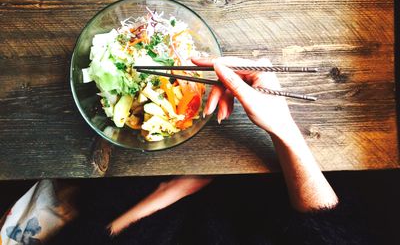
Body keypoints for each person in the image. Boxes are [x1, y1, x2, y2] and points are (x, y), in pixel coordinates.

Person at [1, 57, 372, 245]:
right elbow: (334, 233)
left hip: (148, 203)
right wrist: (284, 129)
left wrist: (171, 191)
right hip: (270, 182)